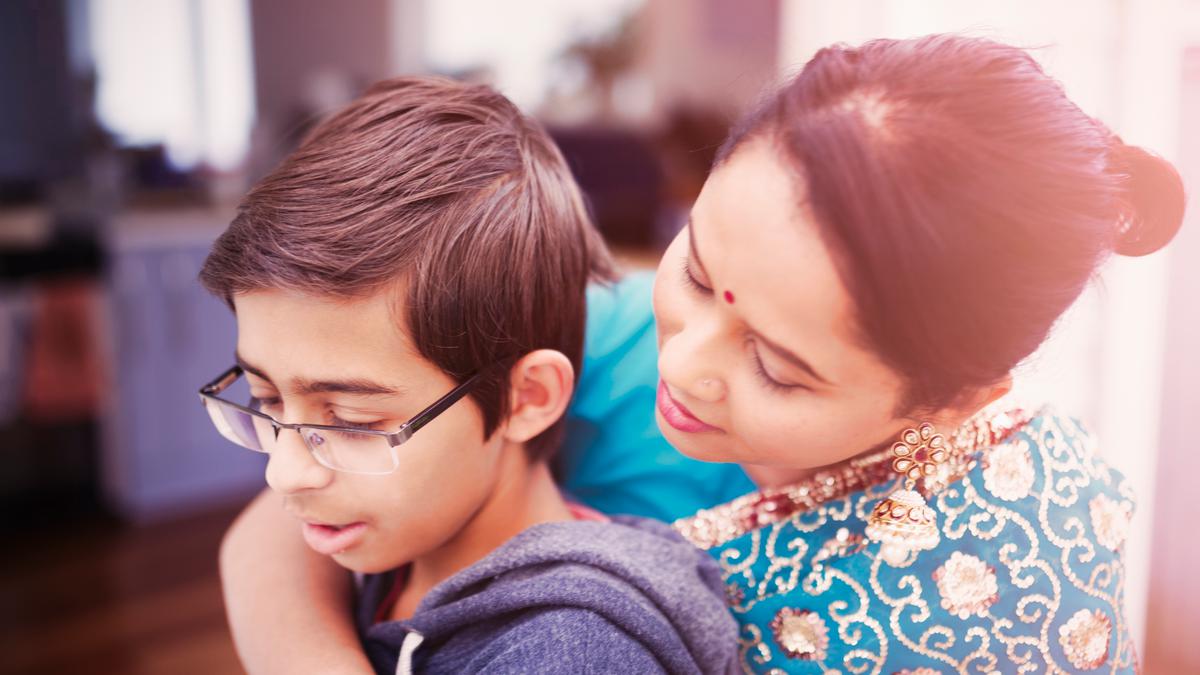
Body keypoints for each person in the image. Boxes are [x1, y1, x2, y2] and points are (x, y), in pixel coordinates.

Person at [216, 35, 1185, 673]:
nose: (682, 367)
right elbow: (312, 462)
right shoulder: (622, 334)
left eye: (776, 367)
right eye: (695, 265)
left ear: (947, 400)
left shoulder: (959, 616)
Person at [197, 76, 739, 674]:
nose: (283, 473)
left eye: (352, 421)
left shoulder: (572, 655)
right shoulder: (403, 540)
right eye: (267, 399)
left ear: (527, 397)